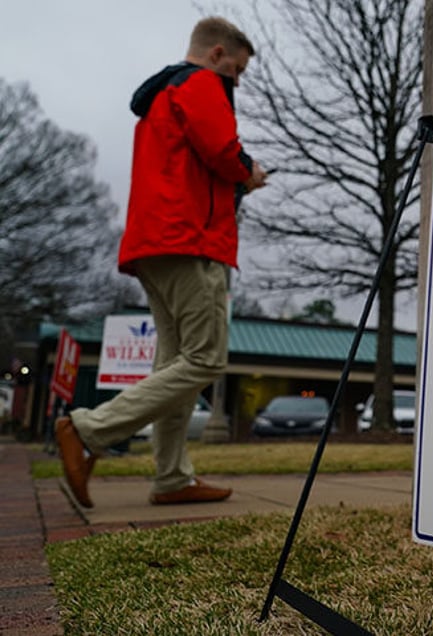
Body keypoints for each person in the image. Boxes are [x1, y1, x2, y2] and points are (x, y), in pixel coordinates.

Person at [56, 16, 267, 508]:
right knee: (205, 359)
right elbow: (221, 149)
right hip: (189, 241)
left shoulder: (162, 94)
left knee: (175, 362)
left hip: (155, 242)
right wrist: (248, 174)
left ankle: (172, 477)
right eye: (236, 70)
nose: (235, 81)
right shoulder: (200, 83)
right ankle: (87, 428)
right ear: (217, 54)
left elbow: (193, 159)